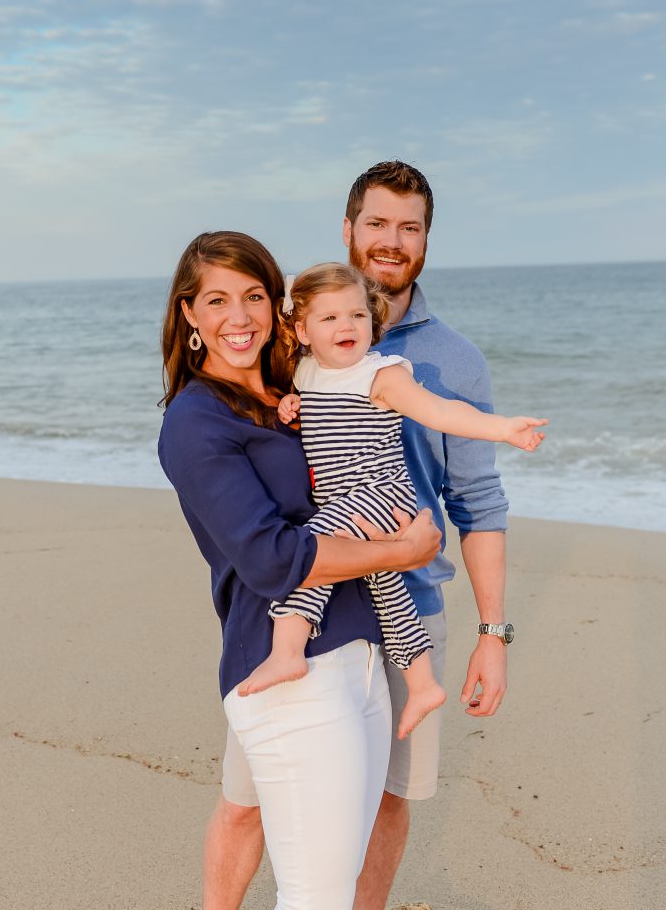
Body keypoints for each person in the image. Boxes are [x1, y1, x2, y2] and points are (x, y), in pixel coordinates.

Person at [214, 161, 518, 910]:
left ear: (425, 240)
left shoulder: (452, 360)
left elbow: (478, 501)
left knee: (388, 798)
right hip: (313, 589)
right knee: (250, 797)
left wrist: (493, 632)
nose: (392, 240)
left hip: (410, 604)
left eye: (409, 227)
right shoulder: (303, 337)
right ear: (348, 230)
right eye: (377, 223)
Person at [157, 230, 442, 910]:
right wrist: (400, 553)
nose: (239, 316)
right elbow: (273, 559)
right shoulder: (196, 422)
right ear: (189, 315)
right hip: (294, 678)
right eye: (217, 300)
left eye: (254, 295)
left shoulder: (296, 388)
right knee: (316, 898)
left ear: (277, 307)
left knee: (331, 890)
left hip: (361, 655)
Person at [238, 262, 545, 745]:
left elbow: (440, 411)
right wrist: (288, 405)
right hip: (348, 499)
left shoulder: (380, 374)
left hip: (380, 496)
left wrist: (501, 428)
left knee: (314, 547)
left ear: (372, 322)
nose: (347, 327)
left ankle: (288, 648)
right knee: (389, 594)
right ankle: (422, 685)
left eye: (358, 316)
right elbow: (306, 414)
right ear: (302, 329)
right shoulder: (305, 371)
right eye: (330, 318)